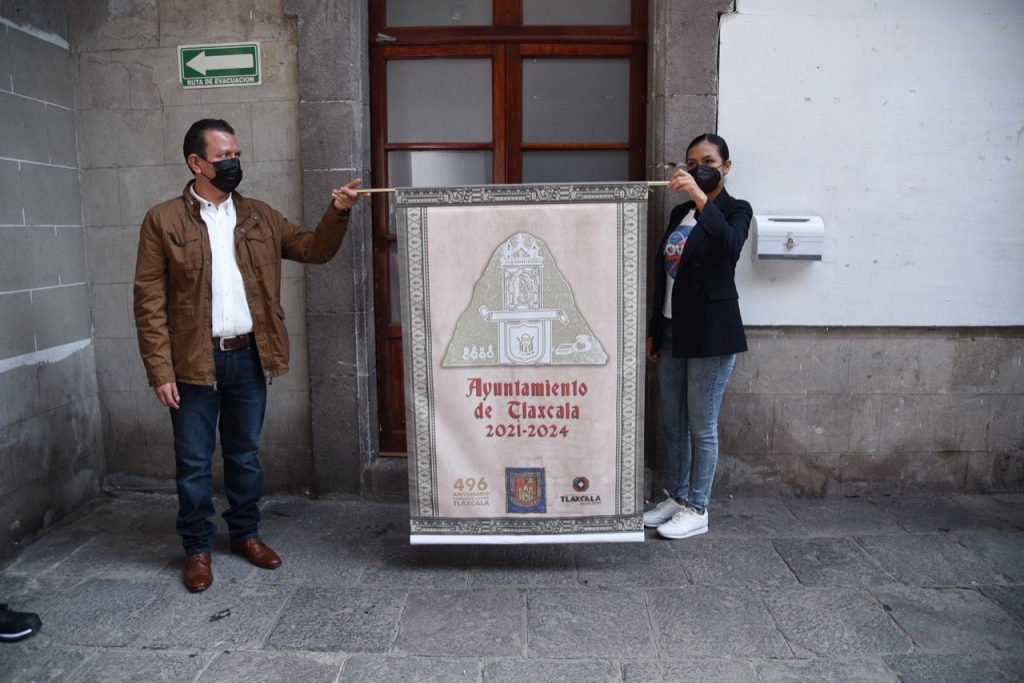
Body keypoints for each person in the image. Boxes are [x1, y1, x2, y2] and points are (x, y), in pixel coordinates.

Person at [134, 119, 363, 592]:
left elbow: (313, 249)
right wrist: (160, 370)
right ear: (196, 163)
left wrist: (337, 210)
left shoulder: (259, 215)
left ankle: (245, 534)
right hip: (192, 363)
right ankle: (197, 548)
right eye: (222, 157)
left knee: (244, 456)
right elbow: (148, 301)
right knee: (194, 462)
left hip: (249, 358)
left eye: (236, 153)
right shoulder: (163, 220)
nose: (233, 163)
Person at [643, 133, 752, 540]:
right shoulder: (678, 215)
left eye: (707, 161)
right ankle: (678, 495)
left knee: (701, 424)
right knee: (674, 422)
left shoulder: (735, 209)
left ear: (726, 166)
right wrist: (654, 329)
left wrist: (702, 199)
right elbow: (663, 277)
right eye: (692, 161)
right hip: (673, 331)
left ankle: (699, 507)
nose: (698, 168)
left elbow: (729, 244)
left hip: (712, 334)